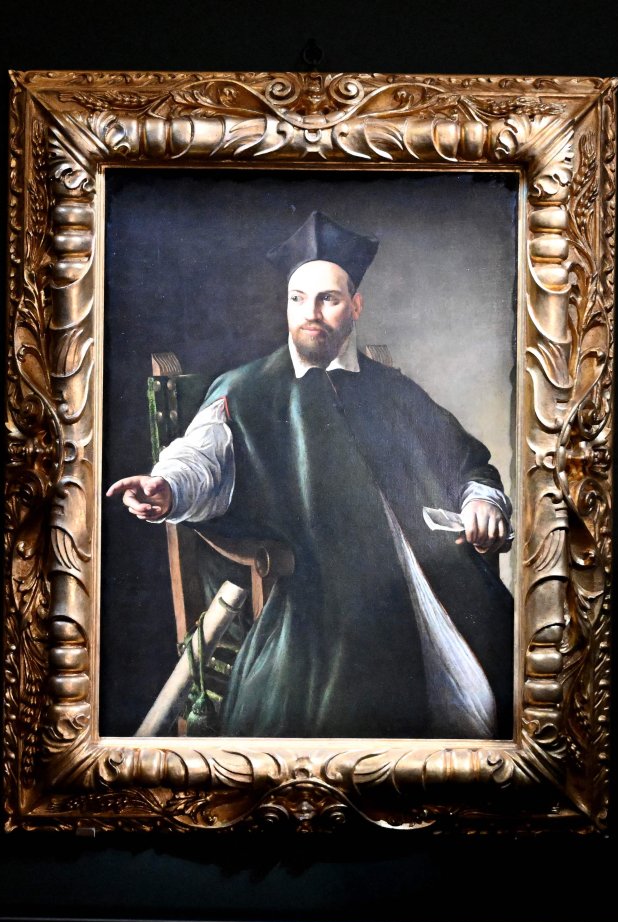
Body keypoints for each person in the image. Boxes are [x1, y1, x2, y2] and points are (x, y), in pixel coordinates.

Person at [106, 211, 514, 740]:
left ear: (356, 307)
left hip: (426, 576)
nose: (311, 314)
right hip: (322, 589)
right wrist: (166, 488)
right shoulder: (247, 390)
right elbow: (201, 460)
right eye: (299, 298)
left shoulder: (392, 390)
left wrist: (482, 501)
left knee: (496, 683)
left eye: (329, 299)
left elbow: (465, 461)